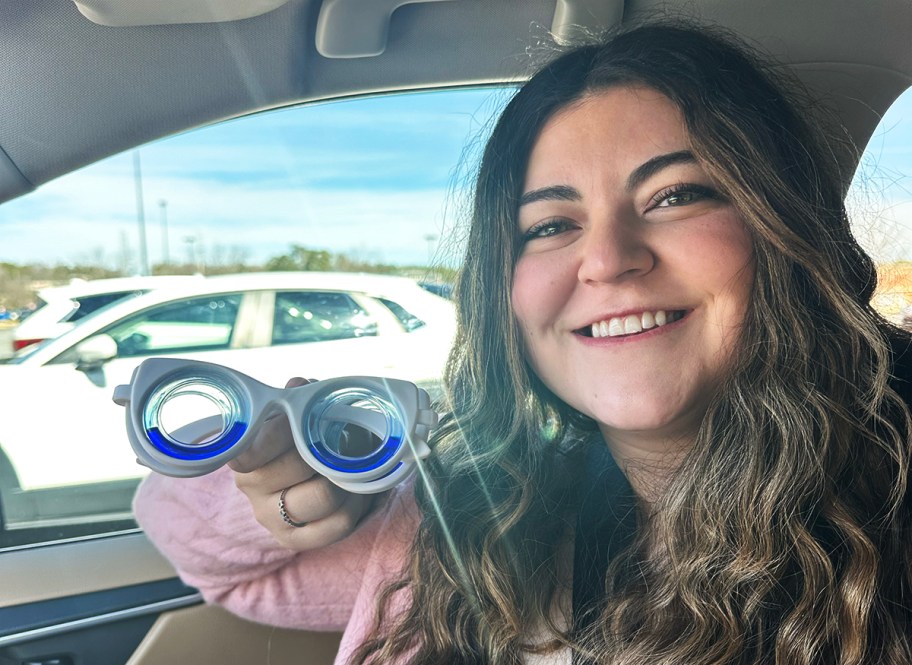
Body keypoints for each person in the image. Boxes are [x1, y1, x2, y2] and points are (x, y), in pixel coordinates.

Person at [135, 21, 912, 664]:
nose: (607, 259)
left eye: (675, 195)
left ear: (781, 229)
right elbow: (205, 553)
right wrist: (292, 453)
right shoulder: (481, 519)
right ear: (502, 293)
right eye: (549, 225)